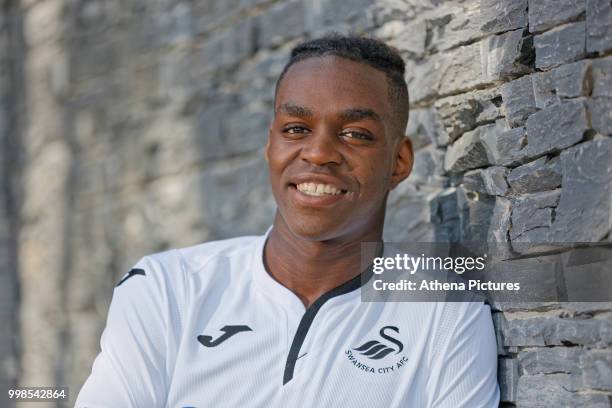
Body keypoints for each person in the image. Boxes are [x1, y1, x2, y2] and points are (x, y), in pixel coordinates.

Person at [76, 34, 500, 407]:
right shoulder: (167, 287)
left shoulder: (446, 312)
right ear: (270, 145)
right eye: (296, 128)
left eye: (355, 134)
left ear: (399, 161)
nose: (317, 153)